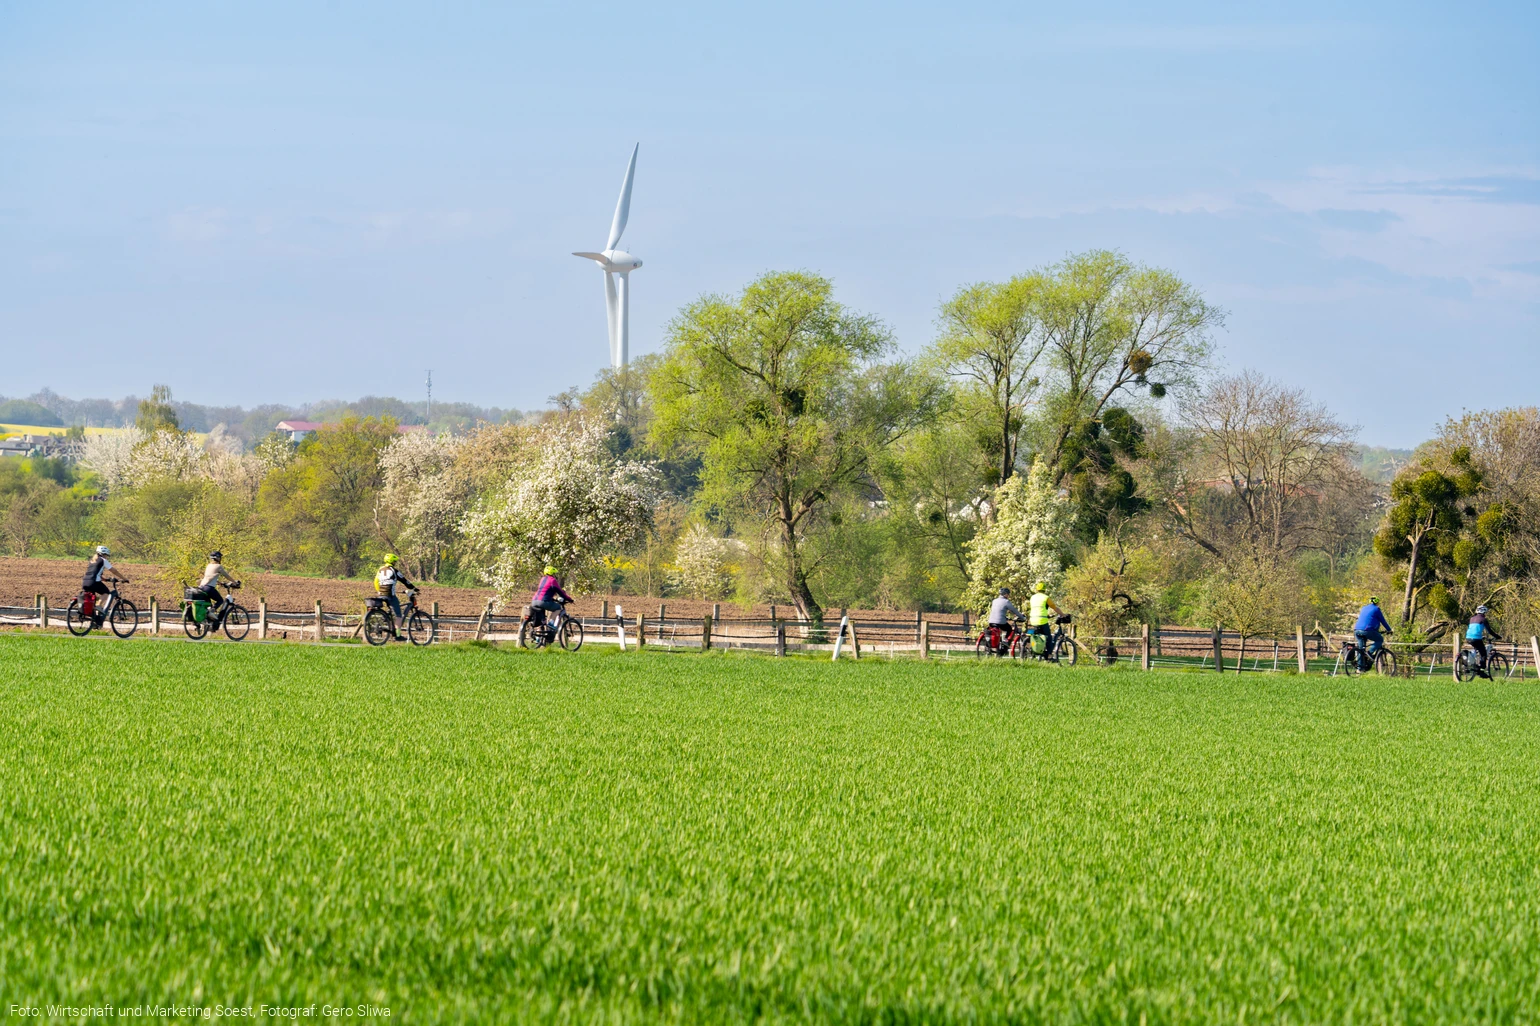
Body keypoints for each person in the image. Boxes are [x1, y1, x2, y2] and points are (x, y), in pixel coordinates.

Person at [374, 553, 414, 640]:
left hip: (381, 594)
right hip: (390, 595)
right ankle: (398, 635)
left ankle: (386, 620)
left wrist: (379, 591)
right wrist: (413, 588)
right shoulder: (394, 570)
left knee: (391, 610)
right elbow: (404, 580)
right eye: (395, 561)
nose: (396, 563)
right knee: (398, 615)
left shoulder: (380, 570)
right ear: (393, 562)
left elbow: (376, 581)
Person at [81, 545, 124, 620]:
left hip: (85, 582)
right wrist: (124, 578)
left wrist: (106, 579)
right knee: (106, 593)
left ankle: (94, 619)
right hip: (93, 582)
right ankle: (98, 606)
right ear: (103, 554)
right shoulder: (103, 560)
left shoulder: (92, 561)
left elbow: (95, 573)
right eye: (106, 555)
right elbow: (114, 571)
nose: (107, 557)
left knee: (92, 600)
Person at [193, 551, 239, 619]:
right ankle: (212, 611)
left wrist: (219, 582)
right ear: (217, 558)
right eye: (220, 557)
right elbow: (227, 576)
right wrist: (234, 582)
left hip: (201, 587)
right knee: (220, 600)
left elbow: (209, 577)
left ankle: (207, 621)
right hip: (208, 588)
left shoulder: (208, 566)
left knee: (208, 606)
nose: (220, 559)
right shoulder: (218, 566)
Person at [530, 565, 573, 637]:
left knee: (541, 621)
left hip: (534, 601)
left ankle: (538, 638)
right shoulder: (552, 580)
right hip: (543, 601)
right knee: (558, 608)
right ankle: (551, 623)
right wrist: (569, 599)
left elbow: (544, 591)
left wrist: (551, 598)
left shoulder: (542, 579)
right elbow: (560, 592)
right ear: (552, 573)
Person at [1353, 596, 1393, 671]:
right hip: (1367, 630)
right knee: (1380, 640)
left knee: (1361, 649)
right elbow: (1383, 620)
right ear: (1377, 602)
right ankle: (1370, 653)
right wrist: (1389, 630)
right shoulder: (1376, 609)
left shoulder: (1363, 608)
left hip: (1356, 630)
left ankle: (1360, 669)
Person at [1027, 581, 1063, 655]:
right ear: (1045, 589)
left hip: (1033, 620)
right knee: (1048, 638)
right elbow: (1054, 607)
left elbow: (1038, 609)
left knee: (1038, 636)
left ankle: (1039, 651)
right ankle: (1049, 656)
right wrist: (1062, 614)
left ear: (1036, 589)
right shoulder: (1046, 598)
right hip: (1042, 620)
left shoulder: (1032, 597)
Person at [1466, 605, 1501, 678]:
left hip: (1468, 637)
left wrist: (1481, 636)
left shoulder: (1471, 619)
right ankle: (1481, 671)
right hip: (1476, 638)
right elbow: (1489, 631)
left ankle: (1475, 665)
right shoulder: (1483, 619)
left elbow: (1474, 629)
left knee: (1477, 649)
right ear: (1484, 612)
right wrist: (1497, 636)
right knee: (1483, 654)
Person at [986, 586, 1022, 654]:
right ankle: (1005, 641)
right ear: (1005, 594)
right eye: (1008, 594)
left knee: (996, 632)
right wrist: (1022, 617)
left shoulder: (994, 601)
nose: (1008, 596)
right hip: (1000, 622)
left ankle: (997, 649)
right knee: (1009, 629)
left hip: (991, 621)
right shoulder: (1006, 602)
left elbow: (998, 611)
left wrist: (1005, 617)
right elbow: (1014, 611)